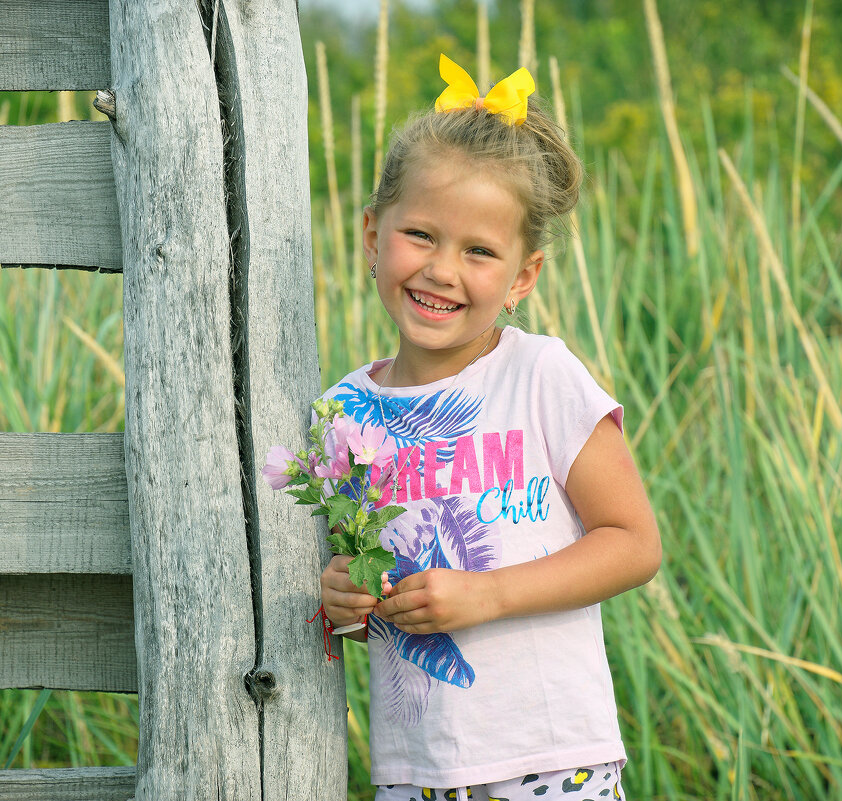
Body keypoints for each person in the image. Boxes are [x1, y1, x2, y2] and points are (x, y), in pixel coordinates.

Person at [319, 54, 661, 801]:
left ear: (521, 279)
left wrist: (490, 594)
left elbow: (633, 544)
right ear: (373, 235)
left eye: (479, 251)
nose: (443, 270)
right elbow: (350, 583)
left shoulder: (541, 376)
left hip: (549, 762)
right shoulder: (342, 411)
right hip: (417, 771)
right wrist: (340, 598)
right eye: (420, 235)